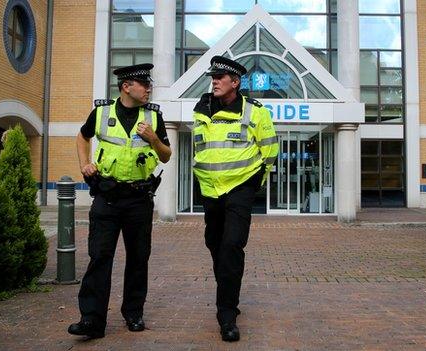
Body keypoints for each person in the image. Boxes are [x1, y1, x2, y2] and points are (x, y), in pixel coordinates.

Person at [67, 63, 171, 339]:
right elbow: (82, 136)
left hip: (139, 199)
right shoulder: (101, 112)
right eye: (143, 84)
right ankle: (91, 319)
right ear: (127, 87)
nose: (148, 88)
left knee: (138, 259)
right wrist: (84, 163)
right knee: (100, 257)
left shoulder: (154, 117)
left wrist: (153, 139)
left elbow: (166, 155)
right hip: (107, 197)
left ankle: (133, 313)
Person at [192, 56, 279, 342]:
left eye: (220, 78)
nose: (214, 81)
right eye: (212, 78)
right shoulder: (201, 109)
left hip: (240, 190)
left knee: (231, 246)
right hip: (210, 192)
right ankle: (228, 290)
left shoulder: (255, 112)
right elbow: (201, 149)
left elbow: (269, 152)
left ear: (235, 82)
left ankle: (227, 314)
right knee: (214, 244)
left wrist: (253, 183)